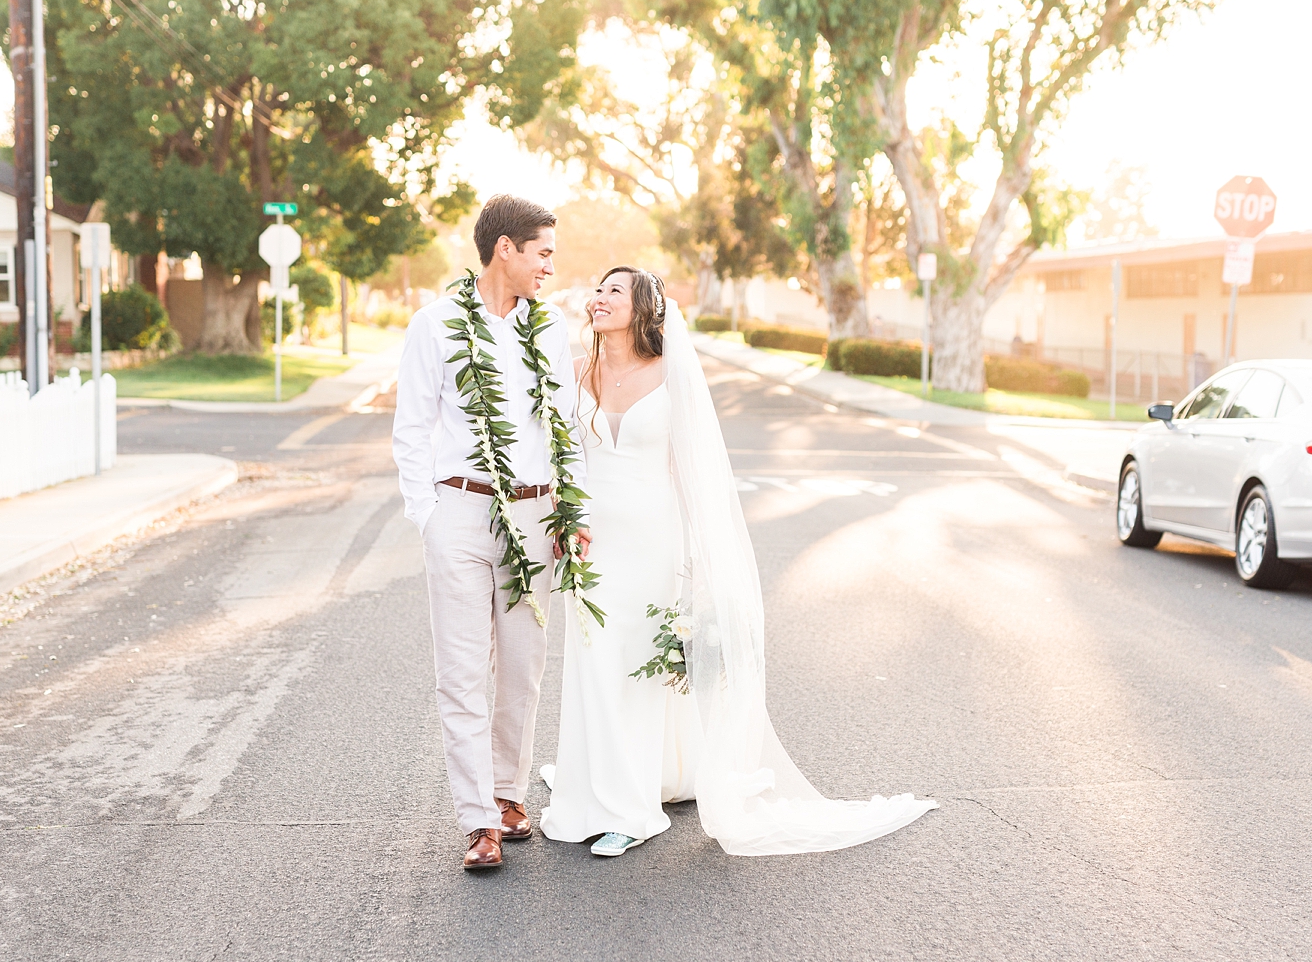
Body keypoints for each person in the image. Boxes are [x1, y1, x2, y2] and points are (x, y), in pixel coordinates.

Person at [539, 266, 937, 857]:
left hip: (653, 538)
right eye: (595, 289)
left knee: (637, 664)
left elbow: (693, 472)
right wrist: (567, 520)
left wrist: (705, 560)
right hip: (592, 543)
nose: (597, 298)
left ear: (643, 306)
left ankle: (630, 809)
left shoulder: (670, 373)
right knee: (595, 661)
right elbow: (562, 461)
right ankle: (603, 783)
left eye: (612, 291)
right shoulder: (574, 376)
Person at [392, 195, 589, 871]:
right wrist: (429, 516)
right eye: (542, 253)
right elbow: (411, 429)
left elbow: (565, 426)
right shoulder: (436, 324)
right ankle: (477, 820)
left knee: (524, 665)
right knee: (462, 668)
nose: (549, 267)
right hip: (459, 513)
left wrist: (572, 510)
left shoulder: (551, 329)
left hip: (535, 516)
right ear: (504, 248)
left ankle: (509, 792)